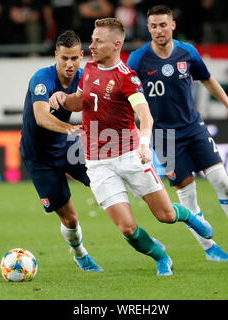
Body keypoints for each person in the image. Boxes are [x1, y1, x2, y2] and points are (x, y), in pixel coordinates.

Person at [49, 18, 214, 276]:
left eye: (97, 41)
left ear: (116, 44)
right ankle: (161, 257)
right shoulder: (89, 70)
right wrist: (62, 98)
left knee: (166, 215)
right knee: (127, 228)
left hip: (130, 155)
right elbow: (78, 102)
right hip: (97, 162)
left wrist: (145, 144)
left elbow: (145, 115)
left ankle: (190, 217)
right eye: (92, 39)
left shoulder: (127, 78)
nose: (91, 45)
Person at [127, 5, 228, 262]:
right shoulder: (137, 59)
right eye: (154, 26)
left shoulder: (187, 52)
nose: (159, 30)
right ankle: (210, 248)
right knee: (187, 196)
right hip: (163, 138)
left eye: (163, 24)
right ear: (148, 28)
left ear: (173, 25)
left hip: (193, 128)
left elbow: (207, 79)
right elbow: (126, 96)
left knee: (223, 181)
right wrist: (136, 131)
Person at [20, 30, 102, 272]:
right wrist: (70, 129)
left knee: (105, 187)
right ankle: (80, 254)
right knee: (71, 218)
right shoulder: (42, 79)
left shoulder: (85, 77)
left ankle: (136, 235)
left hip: (68, 147)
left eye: (74, 58)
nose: (69, 64)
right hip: (40, 157)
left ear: (81, 56)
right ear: (56, 55)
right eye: (64, 58)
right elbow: (41, 116)